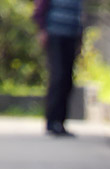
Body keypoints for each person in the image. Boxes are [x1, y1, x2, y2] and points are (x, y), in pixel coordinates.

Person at [33, 0, 84, 137]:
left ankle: (61, 121)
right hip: (54, 34)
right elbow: (40, 7)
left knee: (67, 79)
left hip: (71, 36)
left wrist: (80, 37)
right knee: (58, 76)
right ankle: (52, 120)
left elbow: (79, 14)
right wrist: (42, 30)